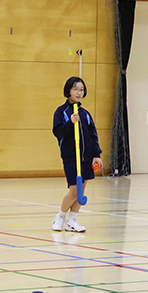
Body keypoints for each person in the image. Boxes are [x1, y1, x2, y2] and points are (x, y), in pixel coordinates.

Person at [51, 76, 101, 233]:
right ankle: (60, 216)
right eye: (75, 89)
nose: (79, 92)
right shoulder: (62, 112)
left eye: (82, 90)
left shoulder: (85, 114)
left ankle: (72, 220)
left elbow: (93, 135)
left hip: (86, 157)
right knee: (74, 190)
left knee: (82, 190)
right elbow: (57, 132)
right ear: (68, 91)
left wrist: (96, 154)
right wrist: (70, 123)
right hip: (71, 157)